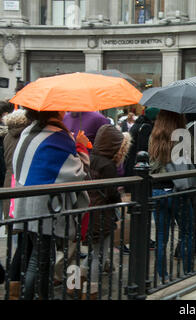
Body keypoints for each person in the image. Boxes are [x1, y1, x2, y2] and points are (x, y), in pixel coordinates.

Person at [12, 108, 90, 300]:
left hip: (25, 202)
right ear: (55, 112)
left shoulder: (29, 131)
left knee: (36, 257)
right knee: (41, 260)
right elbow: (77, 173)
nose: (65, 111)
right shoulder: (58, 136)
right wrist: (80, 147)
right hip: (45, 207)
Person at [80, 124, 131, 300]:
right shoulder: (108, 165)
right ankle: (91, 290)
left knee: (93, 251)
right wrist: (119, 198)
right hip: (102, 214)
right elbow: (110, 192)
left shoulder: (90, 157)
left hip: (88, 210)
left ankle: (79, 281)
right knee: (100, 253)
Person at [148, 110, 194, 279]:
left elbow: (150, 166)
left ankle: (162, 275)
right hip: (179, 191)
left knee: (161, 236)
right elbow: (188, 163)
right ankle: (188, 272)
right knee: (187, 233)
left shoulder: (153, 137)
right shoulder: (182, 137)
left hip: (158, 191)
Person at [1, 108, 32, 299]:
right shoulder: (26, 136)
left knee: (21, 239)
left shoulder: (7, 136)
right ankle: (15, 284)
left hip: (9, 184)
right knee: (25, 241)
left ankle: (14, 284)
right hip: (21, 184)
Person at [124, 107, 159, 178]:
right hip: (138, 167)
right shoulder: (146, 127)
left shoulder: (137, 124)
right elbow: (144, 149)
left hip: (130, 164)